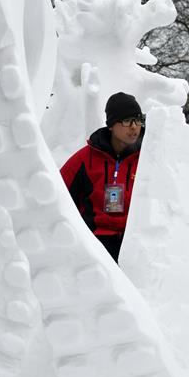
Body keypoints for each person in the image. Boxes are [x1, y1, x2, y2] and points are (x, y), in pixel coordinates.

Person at [60, 92, 145, 263]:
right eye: (127, 121)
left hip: (136, 244)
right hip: (94, 245)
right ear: (112, 125)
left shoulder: (148, 158)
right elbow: (58, 197)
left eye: (138, 120)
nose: (134, 127)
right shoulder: (85, 159)